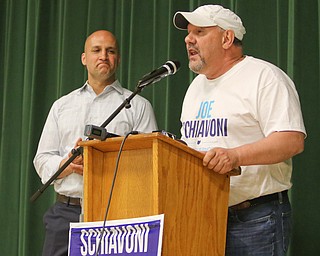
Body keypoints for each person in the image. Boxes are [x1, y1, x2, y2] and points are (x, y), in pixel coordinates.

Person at [173, 5, 306, 256]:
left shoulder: (264, 77)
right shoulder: (195, 88)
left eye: (199, 32)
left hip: (256, 219)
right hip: (204, 217)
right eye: (189, 33)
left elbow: (291, 140)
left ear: (227, 38)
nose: (188, 39)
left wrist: (234, 156)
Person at [33, 30, 158, 256]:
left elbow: (150, 167)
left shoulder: (139, 106)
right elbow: (42, 159)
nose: (103, 56)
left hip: (119, 216)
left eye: (110, 51)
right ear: (84, 58)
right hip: (66, 214)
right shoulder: (61, 106)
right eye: (96, 50)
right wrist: (68, 164)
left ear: (118, 59)